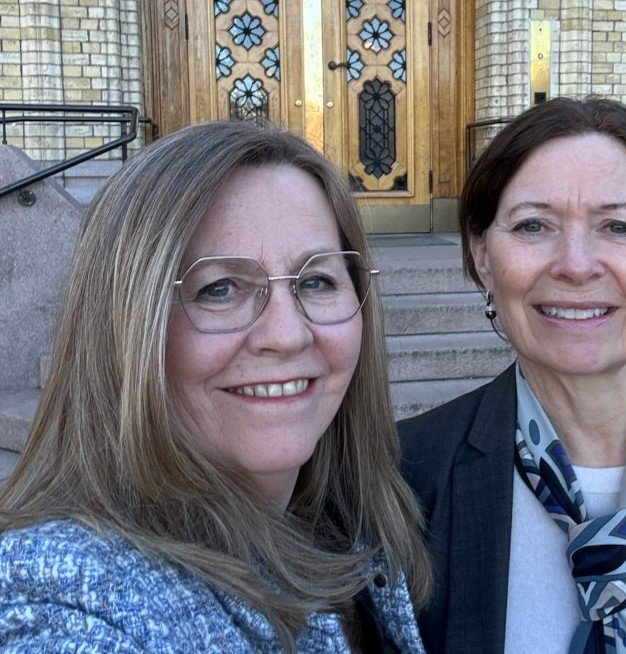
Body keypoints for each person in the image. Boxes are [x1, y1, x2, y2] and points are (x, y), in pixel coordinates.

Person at [0, 120, 431, 653]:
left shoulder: (360, 527)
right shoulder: (65, 596)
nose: (287, 335)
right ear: (126, 325)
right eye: (220, 288)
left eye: (316, 281)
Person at [399, 97, 626, 653]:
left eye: (619, 226)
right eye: (533, 225)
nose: (575, 265)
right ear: (481, 254)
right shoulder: (404, 481)